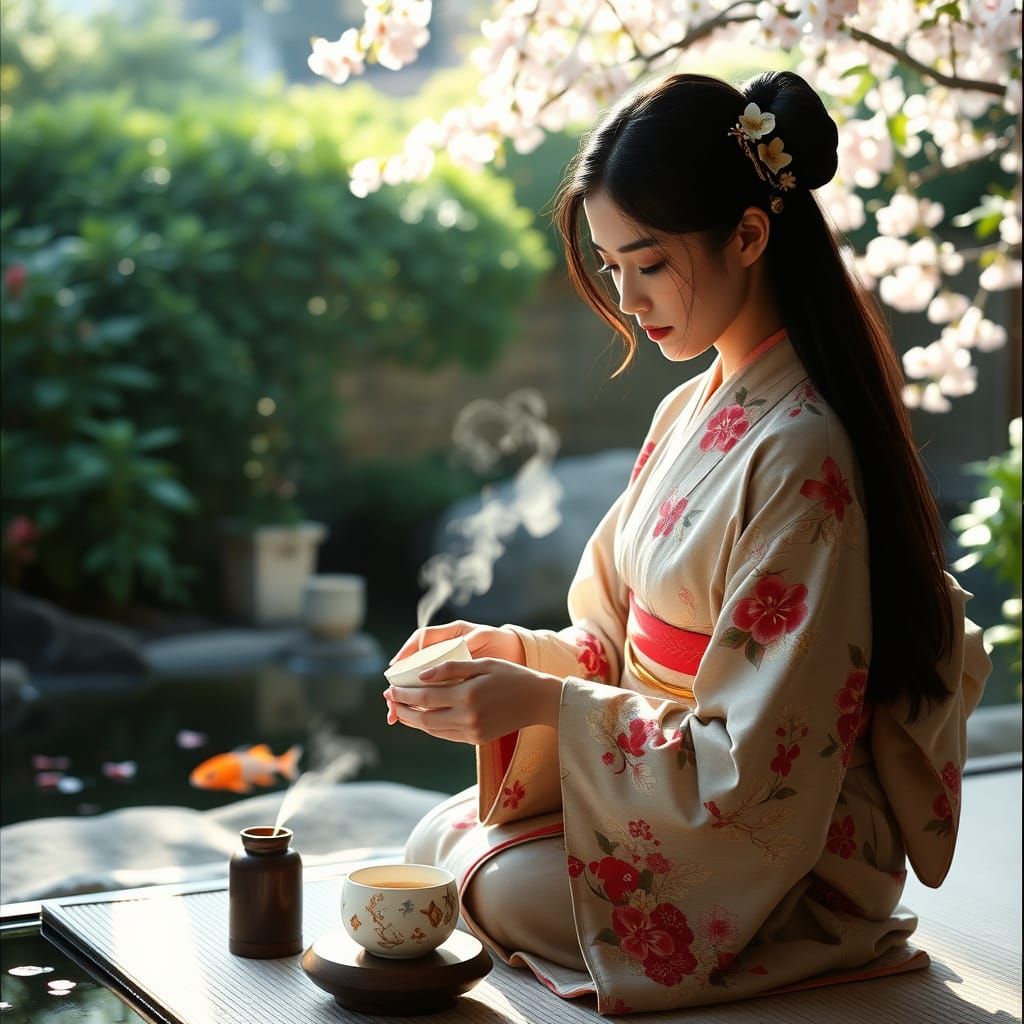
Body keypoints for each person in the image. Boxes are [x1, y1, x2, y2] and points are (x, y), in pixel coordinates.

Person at [382, 70, 991, 1015]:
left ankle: (800, 936)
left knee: (486, 879)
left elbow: (762, 765)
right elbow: (613, 645)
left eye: (649, 264)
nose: (627, 297)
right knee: (437, 843)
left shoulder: (804, 449)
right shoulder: (688, 409)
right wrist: (512, 657)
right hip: (674, 791)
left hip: (786, 846)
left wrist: (544, 703)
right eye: (610, 266)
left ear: (748, 235)